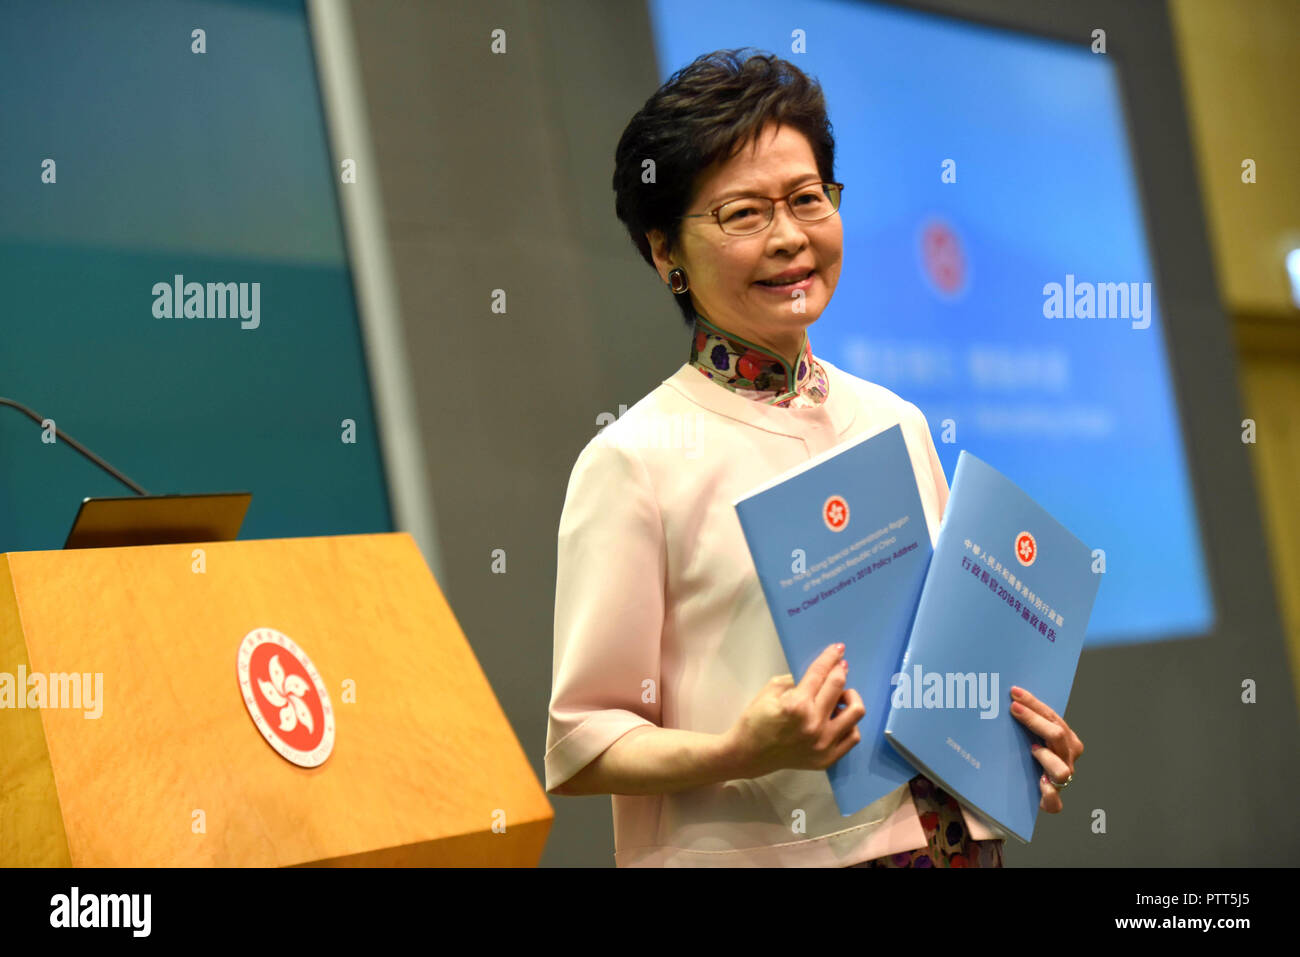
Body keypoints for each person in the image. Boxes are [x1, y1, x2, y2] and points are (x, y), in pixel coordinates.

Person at [544, 49, 1084, 867]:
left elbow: (935, 679)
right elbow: (584, 741)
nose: (791, 236)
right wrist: (740, 747)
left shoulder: (896, 419)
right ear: (666, 254)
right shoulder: (633, 459)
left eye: (806, 199)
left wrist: (1011, 742)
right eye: (744, 214)